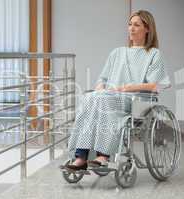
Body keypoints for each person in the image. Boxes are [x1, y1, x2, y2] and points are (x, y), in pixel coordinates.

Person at [66, 10, 171, 171]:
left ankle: (103, 155)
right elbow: (102, 79)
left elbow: (156, 85)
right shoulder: (117, 53)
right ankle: (81, 156)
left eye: (136, 25)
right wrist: (100, 88)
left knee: (104, 100)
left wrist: (129, 87)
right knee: (89, 97)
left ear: (148, 29)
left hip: (135, 100)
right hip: (110, 95)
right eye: (130, 25)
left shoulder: (154, 54)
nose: (131, 28)